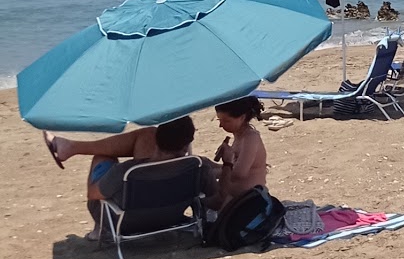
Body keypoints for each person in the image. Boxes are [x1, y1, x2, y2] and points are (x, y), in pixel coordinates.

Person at [46, 116, 198, 226]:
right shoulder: (196, 166)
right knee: (147, 134)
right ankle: (70, 147)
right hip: (170, 217)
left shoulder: (127, 172)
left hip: (126, 224)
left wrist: (109, 178)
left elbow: (93, 194)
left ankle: (98, 230)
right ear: (186, 145)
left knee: (102, 157)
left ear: (156, 143)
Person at [205, 96, 269, 213]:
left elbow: (239, 174)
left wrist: (219, 168)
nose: (221, 126)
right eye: (220, 121)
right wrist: (208, 164)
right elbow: (232, 167)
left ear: (242, 117)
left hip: (249, 199)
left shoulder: (250, 138)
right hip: (235, 196)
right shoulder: (239, 135)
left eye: (226, 121)